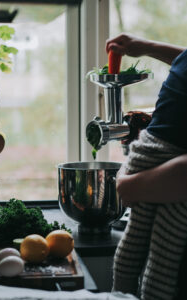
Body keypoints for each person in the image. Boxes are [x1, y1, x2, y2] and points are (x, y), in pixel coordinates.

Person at [105, 33, 187, 300]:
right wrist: (147, 47)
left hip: (165, 161)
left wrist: (130, 184)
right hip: (156, 158)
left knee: (159, 271)